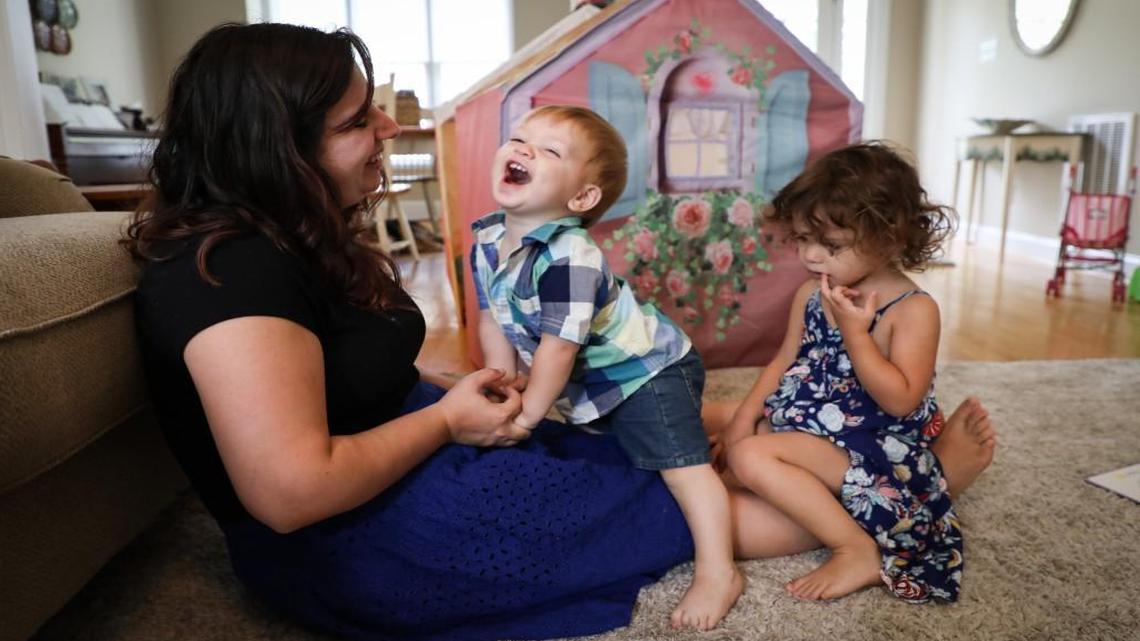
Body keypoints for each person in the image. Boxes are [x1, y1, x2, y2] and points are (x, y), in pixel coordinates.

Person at [125, 22, 995, 641]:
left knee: (648, 441)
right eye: (359, 122)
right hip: (360, 542)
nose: (390, 125)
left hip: (404, 469)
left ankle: (863, 459)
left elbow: (342, 373)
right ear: (276, 146)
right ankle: (909, 497)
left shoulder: (284, 238)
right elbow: (290, 490)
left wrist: (442, 392)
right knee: (670, 491)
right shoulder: (233, 274)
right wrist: (444, 419)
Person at [470, 105, 742, 630]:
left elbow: (558, 350)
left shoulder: (570, 256)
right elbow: (490, 318)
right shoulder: (485, 239)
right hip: (596, 386)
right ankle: (715, 419)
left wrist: (526, 418)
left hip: (646, 373)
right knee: (629, 449)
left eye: (549, 150)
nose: (523, 149)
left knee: (681, 468)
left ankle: (718, 571)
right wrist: (501, 383)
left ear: (582, 198)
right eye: (519, 139)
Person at [721, 142, 994, 604]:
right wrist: (742, 419)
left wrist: (857, 335)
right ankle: (821, 503)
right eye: (803, 238)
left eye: (830, 245)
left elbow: (901, 400)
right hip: (815, 423)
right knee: (726, 459)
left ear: (889, 238)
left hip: (875, 446)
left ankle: (856, 548)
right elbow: (785, 360)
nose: (810, 255)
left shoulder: (914, 310)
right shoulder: (812, 292)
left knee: (751, 459)